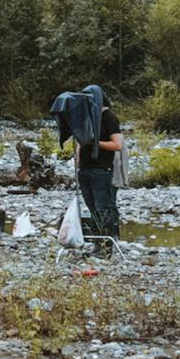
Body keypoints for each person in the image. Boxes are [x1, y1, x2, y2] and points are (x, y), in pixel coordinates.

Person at [64, 84, 122, 252]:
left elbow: (117, 144)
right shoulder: (88, 117)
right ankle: (99, 242)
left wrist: (95, 143)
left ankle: (106, 246)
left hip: (102, 169)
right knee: (91, 206)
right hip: (85, 168)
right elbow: (80, 142)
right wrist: (78, 158)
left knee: (102, 207)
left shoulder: (109, 117)